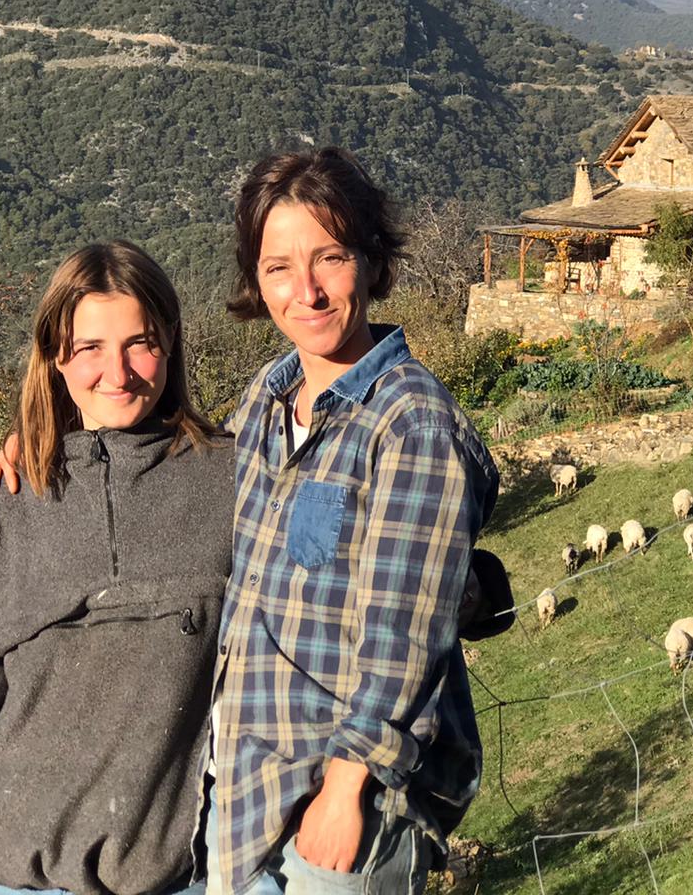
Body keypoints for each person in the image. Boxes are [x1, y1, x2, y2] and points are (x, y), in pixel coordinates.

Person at [206, 148, 499, 895]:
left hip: (339, 820)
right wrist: (52, 441)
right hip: (247, 799)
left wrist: (345, 790)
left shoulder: (411, 422)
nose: (305, 291)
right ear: (256, 280)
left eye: (329, 259)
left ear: (369, 261)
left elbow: (405, 633)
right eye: (278, 267)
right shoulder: (266, 400)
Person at [0, 241, 232, 895]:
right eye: (89, 348)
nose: (117, 372)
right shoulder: (12, 503)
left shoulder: (232, 480)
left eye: (140, 343)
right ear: (56, 357)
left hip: (178, 879)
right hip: (9, 875)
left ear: (171, 342)